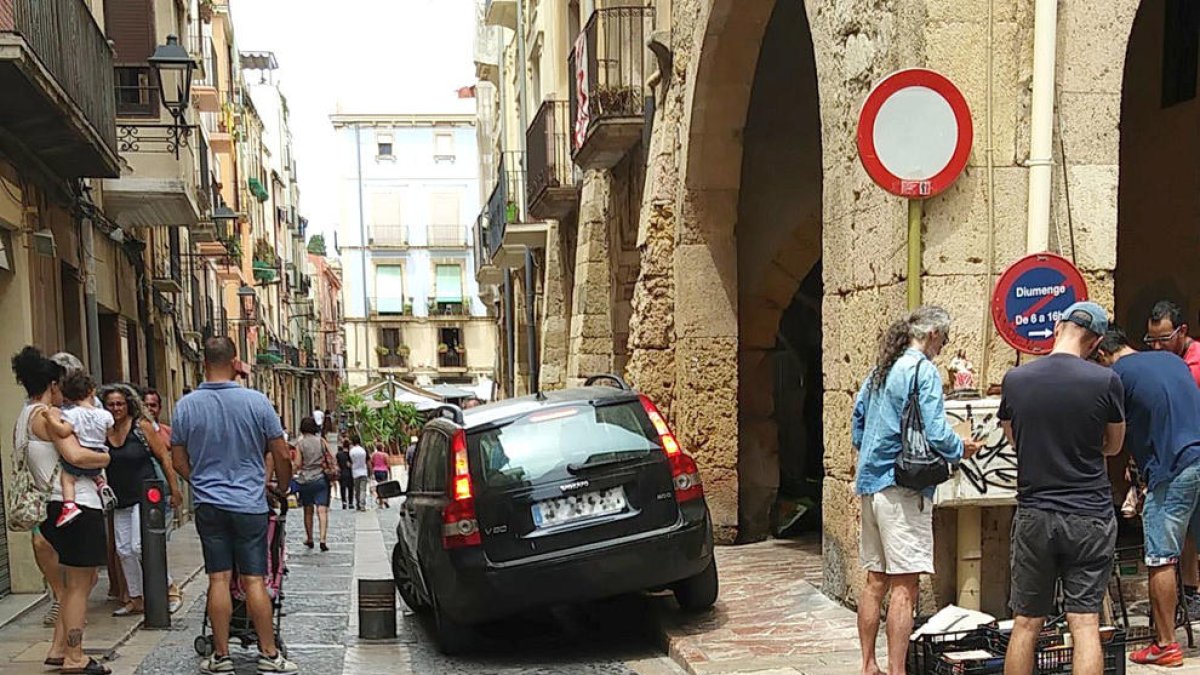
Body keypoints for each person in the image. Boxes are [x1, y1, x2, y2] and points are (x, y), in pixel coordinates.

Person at [851, 305, 979, 675]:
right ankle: (897, 670)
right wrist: (961, 449)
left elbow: (858, 420)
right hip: (903, 487)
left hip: (872, 482)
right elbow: (938, 431)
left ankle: (867, 664)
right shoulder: (922, 370)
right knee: (905, 585)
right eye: (945, 339)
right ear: (935, 335)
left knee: (875, 579)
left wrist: (873, 452)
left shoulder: (881, 369)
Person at [999, 302, 1124, 675]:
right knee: (1084, 623)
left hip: (1036, 513)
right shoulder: (1105, 381)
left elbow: (1013, 438)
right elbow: (1114, 445)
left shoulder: (1016, 380)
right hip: (1089, 514)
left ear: (1057, 327)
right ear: (1097, 342)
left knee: (1026, 622)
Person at [171, 337, 298, 674]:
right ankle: (269, 654)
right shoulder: (256, 402)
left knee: (218, 578)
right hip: (249, 503)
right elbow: (282, 452)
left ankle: (221, 655)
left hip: (209, 505)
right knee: (255, 580)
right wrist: (281, 487)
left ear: (203, 361)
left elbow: (178, 458)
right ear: (235, 361)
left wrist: (198, 481)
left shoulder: (185, 406)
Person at [1094, 326, 1200, 666]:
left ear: (1101, 355)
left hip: (1173, 468)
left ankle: (1166, 645)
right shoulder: (1171, 361)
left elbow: (1110, 437)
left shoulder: (1114, 377)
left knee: (1160, 557)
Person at [12, 347, 112, 675]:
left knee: (73, 583)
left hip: (52, 507)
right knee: (80, 586)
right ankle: (75, 656)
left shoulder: (24, 415)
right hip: (77, 506)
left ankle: (58, 650)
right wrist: (105, 458)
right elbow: (77, 456)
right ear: (53, 385)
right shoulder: (46, 416)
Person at [102, 384, 182, 618]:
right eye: (111, 404)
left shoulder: (141, 427)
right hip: (119, 498)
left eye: (120, 403)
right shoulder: (104, 431)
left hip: (145, 497)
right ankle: (136, 598)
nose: (116, 408)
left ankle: (169, 587)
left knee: (140, 546)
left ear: (128, 405)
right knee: (123, 550)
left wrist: (174, 490)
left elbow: (164, 457)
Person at [50, 372, 113, 527]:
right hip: (99, 453)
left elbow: (64, 431)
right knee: (94, 473)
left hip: (82, 452)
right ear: (92, 391)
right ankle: (101, 483)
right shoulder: (105, 414)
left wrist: (50, 419)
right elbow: (110, 434)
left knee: (67, 478)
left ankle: (69, 506)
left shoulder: (71, 414)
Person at [142, 388, 184, 614]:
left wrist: (176, 490)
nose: (150, 409)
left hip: (164, 494)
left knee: (158, 544)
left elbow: (174, 461)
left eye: (153, 405)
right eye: (146, 405)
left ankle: (167, 589)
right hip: (142, 493)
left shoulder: (167, 432)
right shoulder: (136, 429)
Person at [293, 416, 331, 551]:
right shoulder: (321, 441)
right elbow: (330, 457)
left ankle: (309, 538)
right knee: (322, 510)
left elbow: (297, 464)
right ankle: (322, 539)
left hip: (306, 480)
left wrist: (292, 472)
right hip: (320, 478)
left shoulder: (300, 444)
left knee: (308, 510)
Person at [1146, 300, 1200, 385]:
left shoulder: (1196, 363)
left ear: (1182, 331)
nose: (1157, 347)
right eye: (1151, 340)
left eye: (1164, 339)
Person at [349, 435, 368, 512]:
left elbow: (351, 462)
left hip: (355, 472)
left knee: (357, 490)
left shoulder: (352, 451)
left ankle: (357, 505)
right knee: (363, 490)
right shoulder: (363, 451)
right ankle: (362, 504)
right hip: (364, 471)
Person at [371, 443, 391, 509]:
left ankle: (380, 502)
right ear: (382, 448)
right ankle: (385, 499)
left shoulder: (373, 455)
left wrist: (372, 471)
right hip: (384, 471)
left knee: (379, 486)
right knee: (385, 485)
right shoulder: (385, 455)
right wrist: (390, 473)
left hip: (376, 471)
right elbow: (388, 464)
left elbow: (372, 463)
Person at [336, 439, 353, 509]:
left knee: (342, 488)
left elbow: (336, 463)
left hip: (342, 472)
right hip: (350, 473)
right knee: (350, 488)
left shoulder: (339, 454)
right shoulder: (351, 454)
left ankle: (344, 502)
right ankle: (351, 502)